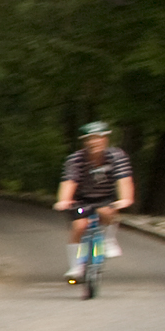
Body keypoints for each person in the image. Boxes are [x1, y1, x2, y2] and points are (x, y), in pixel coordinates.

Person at [54, 120, 136, 283]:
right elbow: (69, 181)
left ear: (105, 139)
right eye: (89, 139)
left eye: (98, 138)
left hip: (105, 197)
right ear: (85, 142)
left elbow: (124, 179)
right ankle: (76, 266)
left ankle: (108, 240)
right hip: (81, 200)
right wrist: (63, 201)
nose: (94, 142)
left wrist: (126, 199)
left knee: (107, 212)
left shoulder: (117, 156)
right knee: (79, 226)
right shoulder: (75, 159)